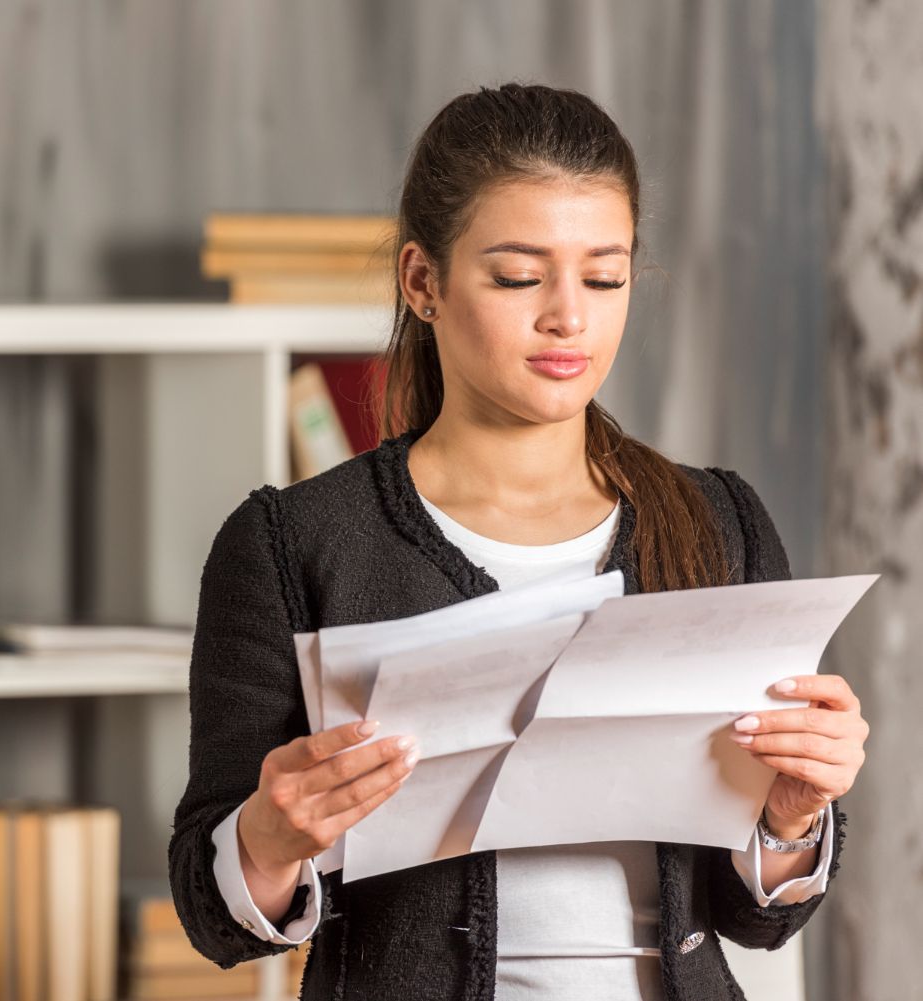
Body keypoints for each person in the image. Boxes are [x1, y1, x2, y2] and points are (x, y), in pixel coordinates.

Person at [167, 82, 869, 1001]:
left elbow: (758, 918)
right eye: (517, 276)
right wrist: (269, 834)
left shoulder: (718, 521)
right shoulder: (290, 543)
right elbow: (207, 905)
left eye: (605, 276)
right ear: (424, 282)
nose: (568, 317)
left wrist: (793, 815)